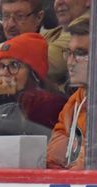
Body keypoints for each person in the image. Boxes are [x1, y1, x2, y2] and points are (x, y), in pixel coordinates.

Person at [0, 32, 67, 137]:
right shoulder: (0, 96)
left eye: (14, 65)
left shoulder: (48, 103)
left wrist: (6, 104)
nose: (4, 72)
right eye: (1, 66)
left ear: (34, 71)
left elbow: (15, 144)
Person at [47, 19, 89, 169]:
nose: (70, 62)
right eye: (69, 53)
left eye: (80, 53)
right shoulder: (76, 100)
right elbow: (53, 157)